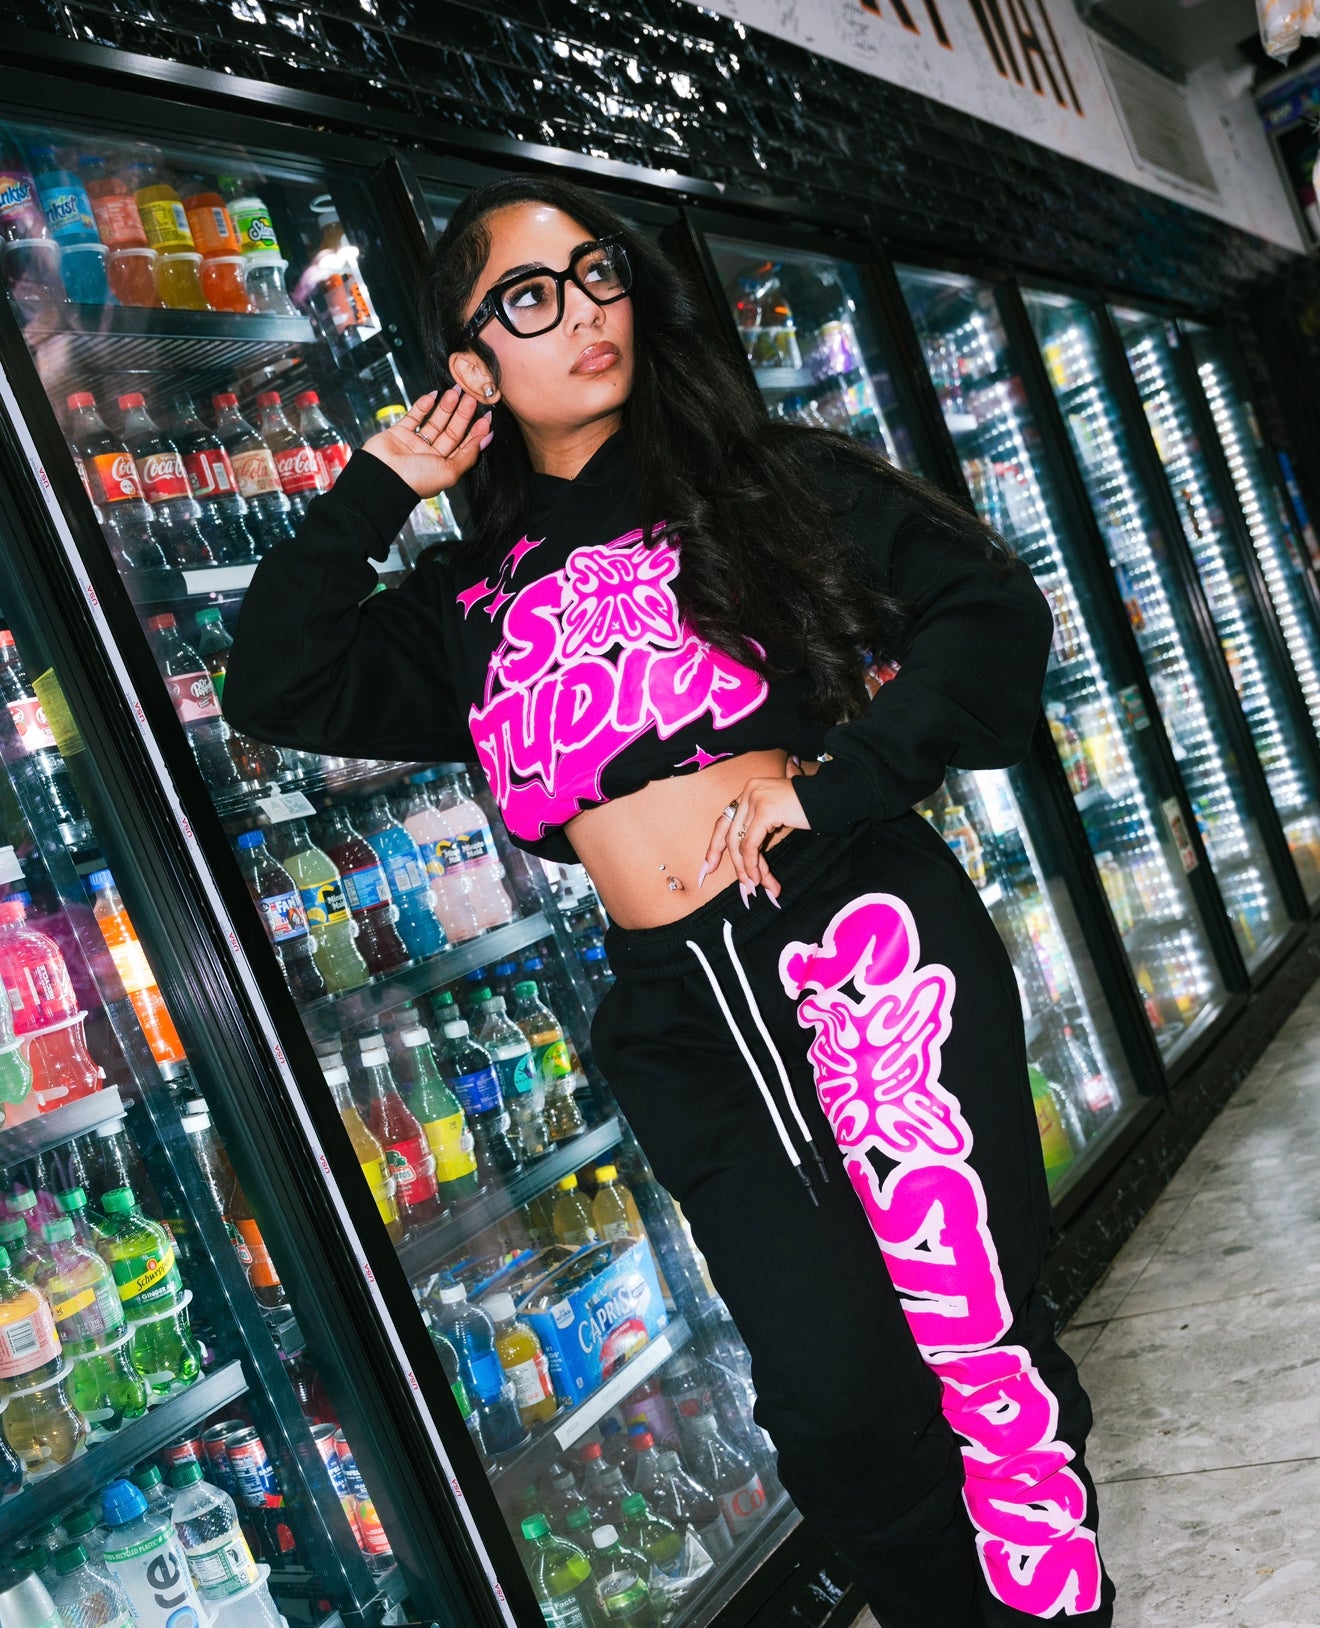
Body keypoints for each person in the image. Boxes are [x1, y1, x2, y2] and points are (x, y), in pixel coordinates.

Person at [224, 174, 1114, 1626]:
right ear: (469, 358)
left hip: (861, 944)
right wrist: (383, 485)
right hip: (678, 1015)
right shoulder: (467, 602)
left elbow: (989, 609)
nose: (583, 314)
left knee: (979, 1355)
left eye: (598, 275)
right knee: (833, 1407)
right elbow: (275, 679)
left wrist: (844, 780)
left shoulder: (763, 484)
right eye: (529, 298)